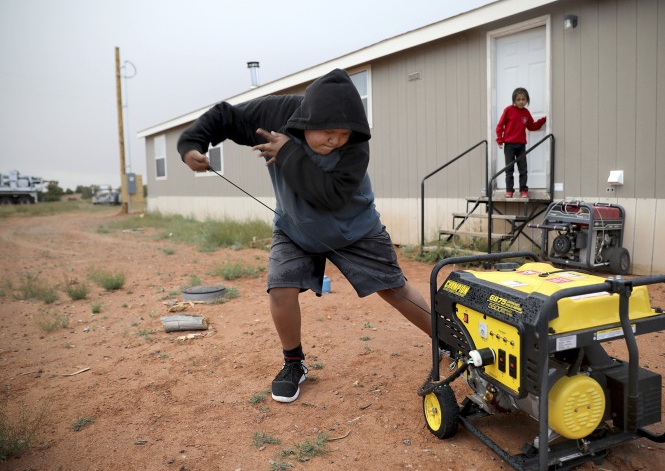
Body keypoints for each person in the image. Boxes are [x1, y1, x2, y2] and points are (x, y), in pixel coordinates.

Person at [177, 69, 432, 403]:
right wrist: (190, 145)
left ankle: (449, 344)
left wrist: (288, 153)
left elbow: (329, 196)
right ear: (309, 119)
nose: (336, 140)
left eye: (343, 134)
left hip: (354, 228)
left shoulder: (355, 147)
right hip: (294, 226)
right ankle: (293, 363)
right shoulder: (276, 115)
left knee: (394, 288)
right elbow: (224, 116)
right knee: (280, 288)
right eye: (328, 132)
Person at [495, 87, 547, 198]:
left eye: (523, 99)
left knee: (523, 169)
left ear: (527, 100)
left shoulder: (526, 112)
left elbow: (532, 126)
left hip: (521, 145)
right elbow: (500, 126)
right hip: (509, 145)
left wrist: (544, 120)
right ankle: (509, 191)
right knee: (509, 169)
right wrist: (500, 139)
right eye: (518, 99)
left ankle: (523, 190)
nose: (521, 101)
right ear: (514, 100)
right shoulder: (508, 110)